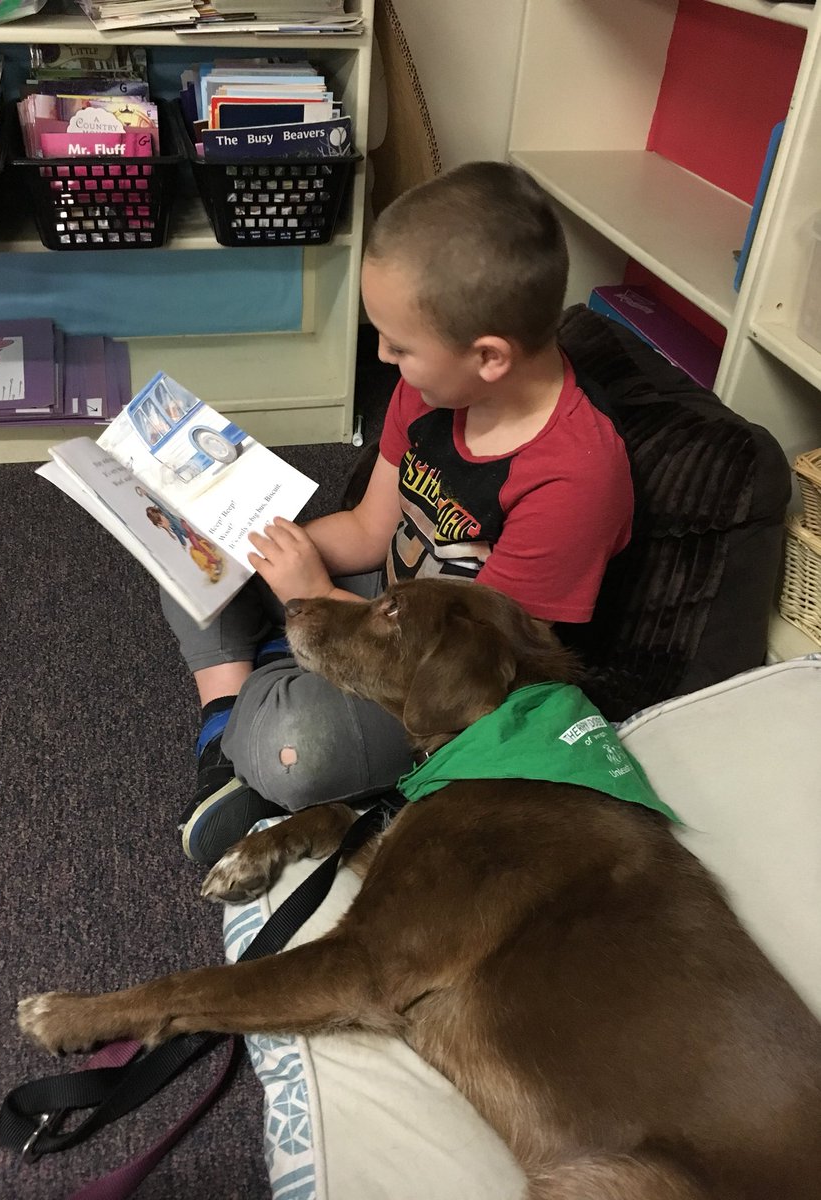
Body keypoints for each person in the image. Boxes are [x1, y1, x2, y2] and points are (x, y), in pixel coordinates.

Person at [161, 161, 635, 866]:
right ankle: (226, 727)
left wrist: (315, 601)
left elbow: (480, 683)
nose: (382, 356)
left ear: (489, 357)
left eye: (400, 345)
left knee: (300, 750)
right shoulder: (433, 388)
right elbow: (369, 529)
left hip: (446, 685)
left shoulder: (574, 476)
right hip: (381, 605)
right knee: (191, 557)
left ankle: (258, 701)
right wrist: (261, 549)